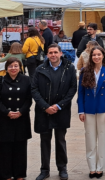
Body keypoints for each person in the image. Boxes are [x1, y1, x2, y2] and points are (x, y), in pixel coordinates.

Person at [31, 44, 78, 180]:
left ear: (60, 53)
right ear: (47, 55)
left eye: (55, 52)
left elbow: (72, 89)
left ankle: (62, 168)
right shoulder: (40, 69)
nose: (53, 55)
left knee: (60, 140)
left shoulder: (69, 68)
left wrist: (59, 105)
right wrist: (45, 106)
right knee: (44, 141)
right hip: (44, 112)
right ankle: (44, 169)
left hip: (61, 111)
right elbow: (34, 90)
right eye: (50, 53)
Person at [77, 47, 105, 178]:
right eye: (94, 55)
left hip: (103, 109)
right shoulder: (85, 71)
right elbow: (81, 92)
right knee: (90, 139)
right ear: (91, 57)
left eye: (99, 54)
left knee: (103, 138)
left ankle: (100, 167)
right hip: (88, 109)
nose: (96, 57)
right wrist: (81, 110)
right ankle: (92, 167)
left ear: (103, 55)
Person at [0, 57, 33, 180]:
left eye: (15, 66)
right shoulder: (0, 80)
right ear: (6, 68)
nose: (13, 68)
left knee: (20, 147)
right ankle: (5, 175)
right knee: (4, 148)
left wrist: (21, 112)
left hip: (21, 118)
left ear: (20, 67)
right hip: (4, 119)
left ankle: (19, 174)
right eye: (10, 66)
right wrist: (7, 112)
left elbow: (29, 99)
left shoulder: (26, 80)